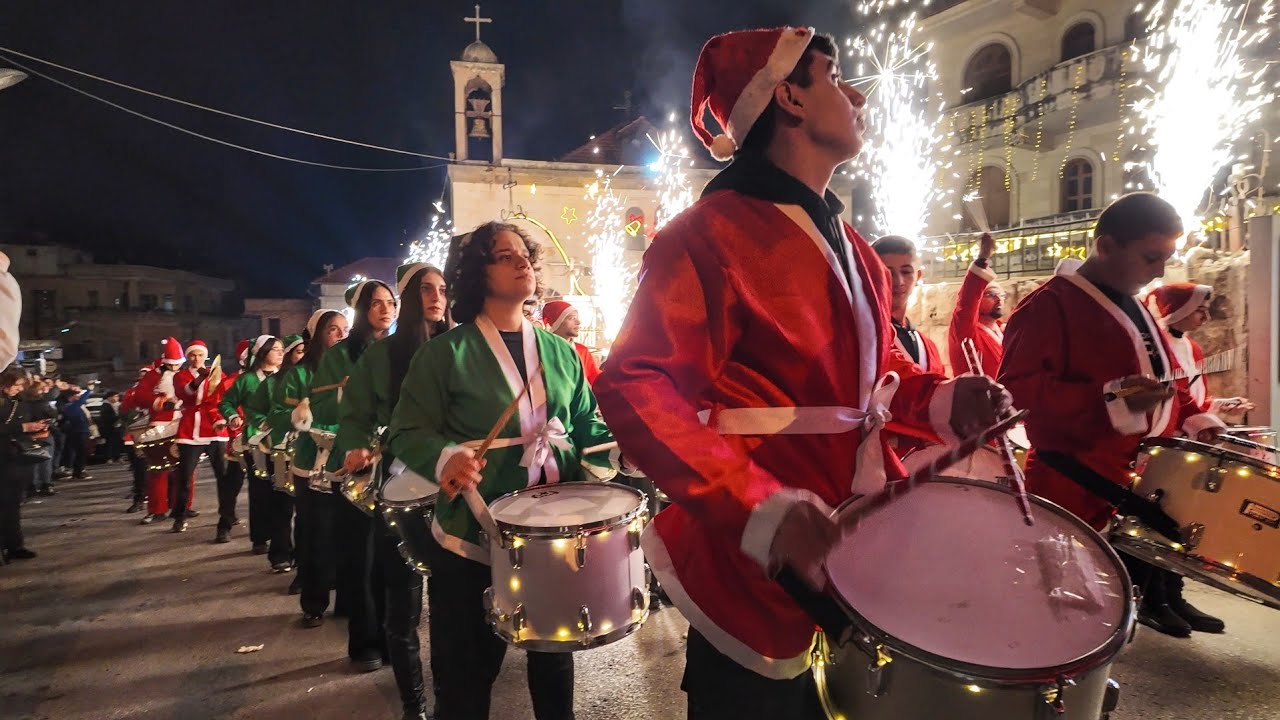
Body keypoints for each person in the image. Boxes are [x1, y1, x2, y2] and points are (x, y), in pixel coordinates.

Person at [592, 27, 1009, 718]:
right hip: (754, 577)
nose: (857, 92)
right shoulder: (703, 237)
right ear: (787, 96)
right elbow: (635, 388)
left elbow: (880, 379)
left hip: (865, 551)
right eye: (834, 76)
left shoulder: (857, 251)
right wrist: (759, 508)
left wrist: (945, 399)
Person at [390, 222, 625, 720]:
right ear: (478, 273)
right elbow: (407, 430)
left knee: (554, 662)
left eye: (525, 255)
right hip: (472, 537)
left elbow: (586, 420)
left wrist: (615, 450)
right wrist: (446, 456)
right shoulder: (444, 355)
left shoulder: (561, 352)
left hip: (552, 535)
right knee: (466, 677)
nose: (523, 263)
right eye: (505, 256)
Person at [998, 192, 1227, 638]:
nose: (1160, 271)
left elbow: (1161, 382)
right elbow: (1016, 392)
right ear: (1105, 247)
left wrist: (1194, 419)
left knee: (1104, 621)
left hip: (1128, 480)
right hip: (1072, 484)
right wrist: (1111, 399)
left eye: (1166, 258)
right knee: (1058, 618)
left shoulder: (1133, 301)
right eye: (1151, 257)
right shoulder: (1048, 305)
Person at [336, 263, 447, 720]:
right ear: (407, 297)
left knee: (451, 608)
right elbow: (355, 416)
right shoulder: (380, 357)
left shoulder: (460, 347)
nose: (437, 296)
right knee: (402, 608)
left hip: (458, 490)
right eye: (426, 289)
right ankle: (413, 705)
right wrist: (357, 446)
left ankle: (454, 699)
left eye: (442, 288)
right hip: (400, 488)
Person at [314, 278, 397, 672]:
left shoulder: (405, 349)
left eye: (390, 302)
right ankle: (365, 640)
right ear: (361, 309)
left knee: (395, 557)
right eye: (376, 303)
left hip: (397, 466)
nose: (385, 309)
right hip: (355, 468)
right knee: (361, 557)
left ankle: (395, 634)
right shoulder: (340, 354)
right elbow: (324, 407)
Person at [273, 309, 348, 624]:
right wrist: (296, 416)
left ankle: (347, 599)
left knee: (349, 536)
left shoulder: (358, 368)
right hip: (311, 464)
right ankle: (314, 603)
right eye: (334, 329)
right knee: (315, 535)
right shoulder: (299, 375)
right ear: (318, 335)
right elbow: (276, 416)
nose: (342, 335)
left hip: (351, 461)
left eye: (346, 329)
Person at [1144, 282, 1252, 416]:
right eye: (1200, 310)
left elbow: (1195, 398)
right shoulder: (1156, 348)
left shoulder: (1193, 348)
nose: (1207, 317)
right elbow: (1169, 399)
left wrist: (1221, 404)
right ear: (1181, 310)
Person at [218, 335, 282, 553]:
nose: (281, 353)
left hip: (284, 441)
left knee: (282, 492)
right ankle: (260, 538)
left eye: (282, 349)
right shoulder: (246, 380)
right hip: (256, 442)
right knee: (259, 490)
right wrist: (231, 416)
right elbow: (226, 402)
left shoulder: (288, 377)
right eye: (275, 349)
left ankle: (280, 538)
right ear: (262, 352)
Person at [246, 335, 302, 574]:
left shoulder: (314, 379)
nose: (303, 356)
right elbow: (254, 411)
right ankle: (280, 553)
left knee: (308, 510)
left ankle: (304, 555)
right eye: (298, 352)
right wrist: (268, 426)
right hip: (280, 450)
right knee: (282, 504)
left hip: (309, 450)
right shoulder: (270, 383)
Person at [125, 338, 187, 524]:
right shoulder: (152, 376)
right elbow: (140, 397)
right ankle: (157, 509)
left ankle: (182, 507)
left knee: (184, 471)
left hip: (182, 424)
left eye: (177, 364)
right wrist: (159, 402)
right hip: (159, 426)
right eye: (172, 364)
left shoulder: (185, 374)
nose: (175, 367)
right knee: (157, 469)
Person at [170, 340, 228, 533]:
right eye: (193, 355)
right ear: (188, 357)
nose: (197, 359)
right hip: (189, 430)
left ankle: (227, 515)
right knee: (185, 477)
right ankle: (180, 516)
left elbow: (224, 396)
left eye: (200, 355)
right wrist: (198, 380)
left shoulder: (217, 372)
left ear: (206, 356)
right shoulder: (181, 375)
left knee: (224, 476)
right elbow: (184, 394)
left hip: (214, 428)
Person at [871, 235, 945, 374]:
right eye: (887, 272)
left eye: (906, 272)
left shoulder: (928, 345)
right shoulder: (865, 336)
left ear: (918, 276)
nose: (898, 281)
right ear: (871, 276)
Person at [209, 340, 253, 542]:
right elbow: (219, 405)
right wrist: (226, 419)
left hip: (265, 441)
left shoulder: (271, 379)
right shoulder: (230, 382)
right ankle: (224, 525)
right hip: (238, 440)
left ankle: (262, 532)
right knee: (232, 485)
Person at [1, 366, 46, 562]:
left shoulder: (17, 403)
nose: (19, 389)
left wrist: (35, 431)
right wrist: (22, 426)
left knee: (13, 505)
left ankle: (15, 546)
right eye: (16, 385)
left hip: (14, 459)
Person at [947, 232, 1005, 378]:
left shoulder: (1005, 332)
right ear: (978, 299)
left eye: (1002, 295)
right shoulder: (965, 331)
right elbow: (967, 301)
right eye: (991, 295)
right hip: (976, 400)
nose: (999, 299)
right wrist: (982, 259)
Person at [540, 300, 601, 385]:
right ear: (555, 322)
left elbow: (597, 381)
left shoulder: (582, 351)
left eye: (576, 318)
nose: (578, 322)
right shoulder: (543, 350)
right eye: (571, 318)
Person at [17, 378, 57, 498]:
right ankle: (46, 484)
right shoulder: (42, 403)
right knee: (45, 460)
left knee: (31, 462)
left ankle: (32, 486)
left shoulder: (20, 403)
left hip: (25, 436)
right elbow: (53, 414)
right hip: (42, 433)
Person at [59, 385, 95, 480]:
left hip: (81, 431)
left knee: (81, 452)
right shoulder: (70, 406)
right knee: (81, 452)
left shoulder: (73, 406)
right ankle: (79, 471)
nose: (78, 396)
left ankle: (77, 471)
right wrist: (89, 389)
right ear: (71, 397)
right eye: (76, 395)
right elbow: (82, 399)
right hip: (78, 431)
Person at [99, 391, 125, 464]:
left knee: (119, 442)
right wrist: (117, 417)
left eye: (117, 396)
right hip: (109, 427)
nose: (116, 398)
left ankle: (118, 456)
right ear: (109, 397)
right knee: (109, 443)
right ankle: (109, 457)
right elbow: (106, 417)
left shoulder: (120, 405)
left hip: (119, 427)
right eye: (115, 396)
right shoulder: (105, 405)